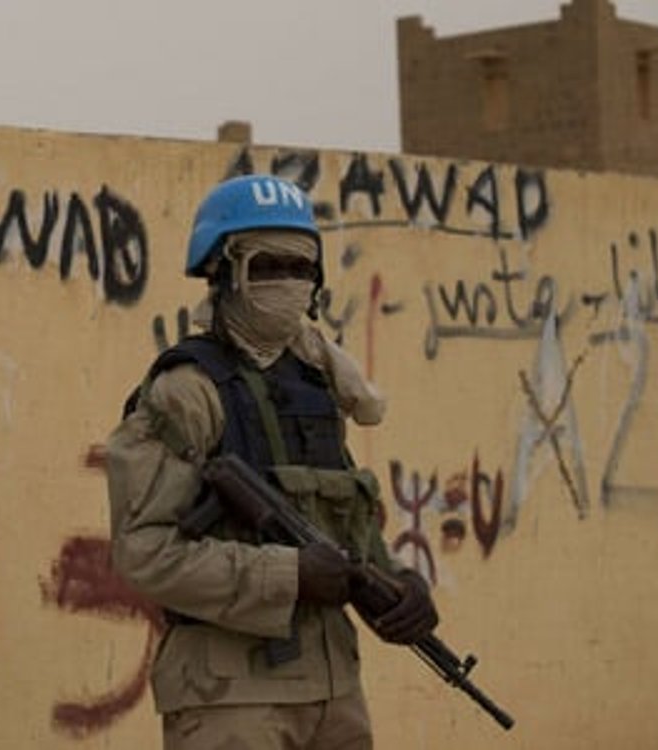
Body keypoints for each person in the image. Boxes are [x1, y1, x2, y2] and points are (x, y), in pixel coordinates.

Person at [104, 174, 437, 750]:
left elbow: (347, 532)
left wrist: (400, 585)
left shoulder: (316, 386)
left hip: (335, 695)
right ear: (223, 273)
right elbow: (145, 553)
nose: (288, 282)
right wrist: (289, 575)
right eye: (266, 265)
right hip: (231, 702)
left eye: (302, 267)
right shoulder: (187, 393)